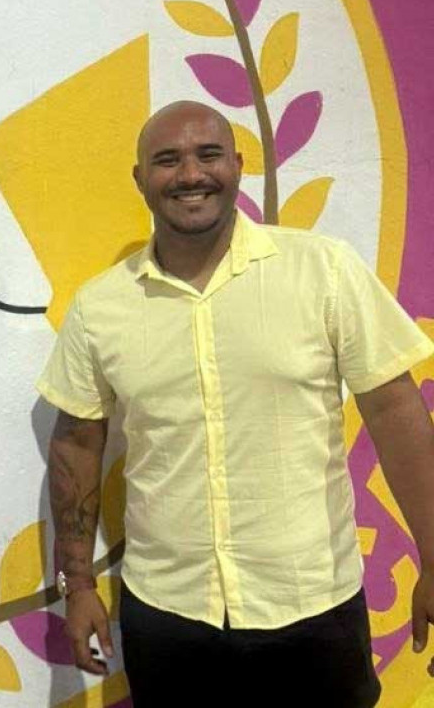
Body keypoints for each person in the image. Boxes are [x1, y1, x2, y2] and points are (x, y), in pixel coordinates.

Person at [38, 101, 434, 706]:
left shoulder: (324, 271)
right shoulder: (101, 307)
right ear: (140, 178)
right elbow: (76, 442)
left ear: (239, 165)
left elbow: (396, 415)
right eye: (167, 160)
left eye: (209, 154)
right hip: (169, 615)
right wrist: (78, 583)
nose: (190, 174)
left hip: (313, 606)